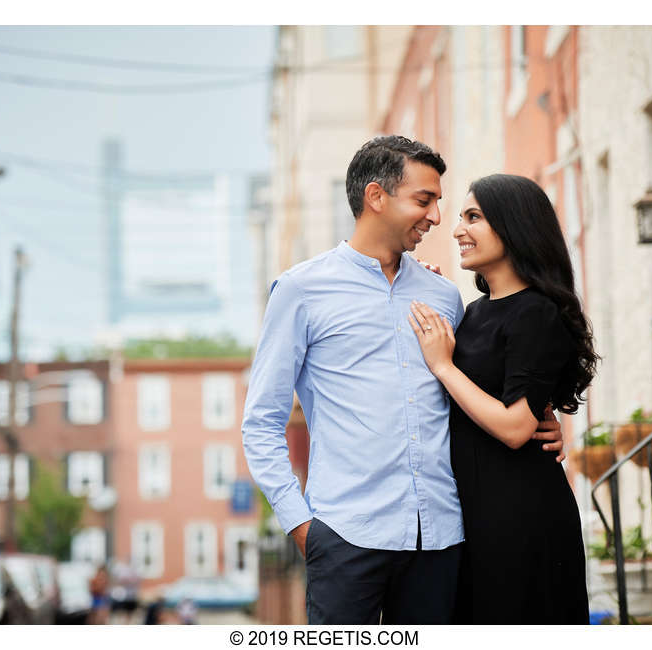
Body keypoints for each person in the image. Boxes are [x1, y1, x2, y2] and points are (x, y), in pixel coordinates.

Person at [241, 136, 566, 625]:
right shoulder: (300, 291)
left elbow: (484, 384)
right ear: (376, 197)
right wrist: (302, 525)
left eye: (439, 202)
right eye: (424, 200)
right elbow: (261, 423)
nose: (437, 217)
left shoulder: (444, 296)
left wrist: (544, 417)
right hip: (346, 535)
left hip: (443, 538)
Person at [406, 173, 598, 623]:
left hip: (521, 519)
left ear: (513, 226)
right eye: (460, 218)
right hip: (474, 516)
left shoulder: (537, 311)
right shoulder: (475, 312)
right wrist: (423, 287)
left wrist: (444, 366)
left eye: (473, 217)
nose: (456, 230)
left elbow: (515, 428)